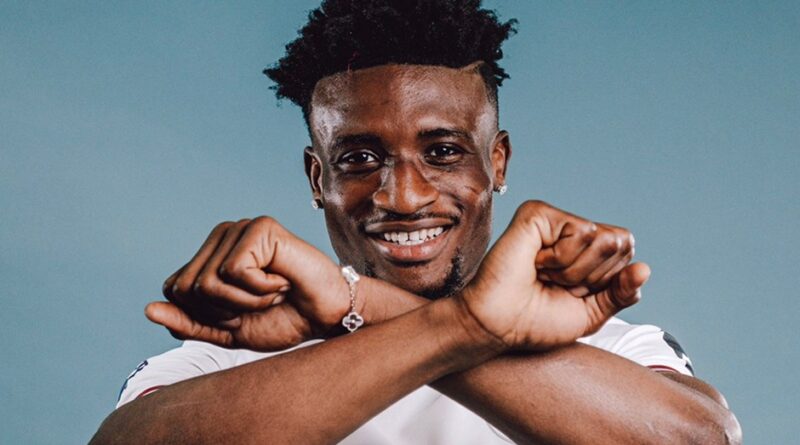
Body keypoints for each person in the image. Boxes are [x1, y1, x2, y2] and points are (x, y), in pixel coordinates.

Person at [91, 1, 741, 443]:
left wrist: (367, 305)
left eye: (443, 152)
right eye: (359, 158)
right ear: (318, 178)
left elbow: (698, 439)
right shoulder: (230, 355)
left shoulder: (608, 350)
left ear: (497, 161)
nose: (403, 197)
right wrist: (465, 327)